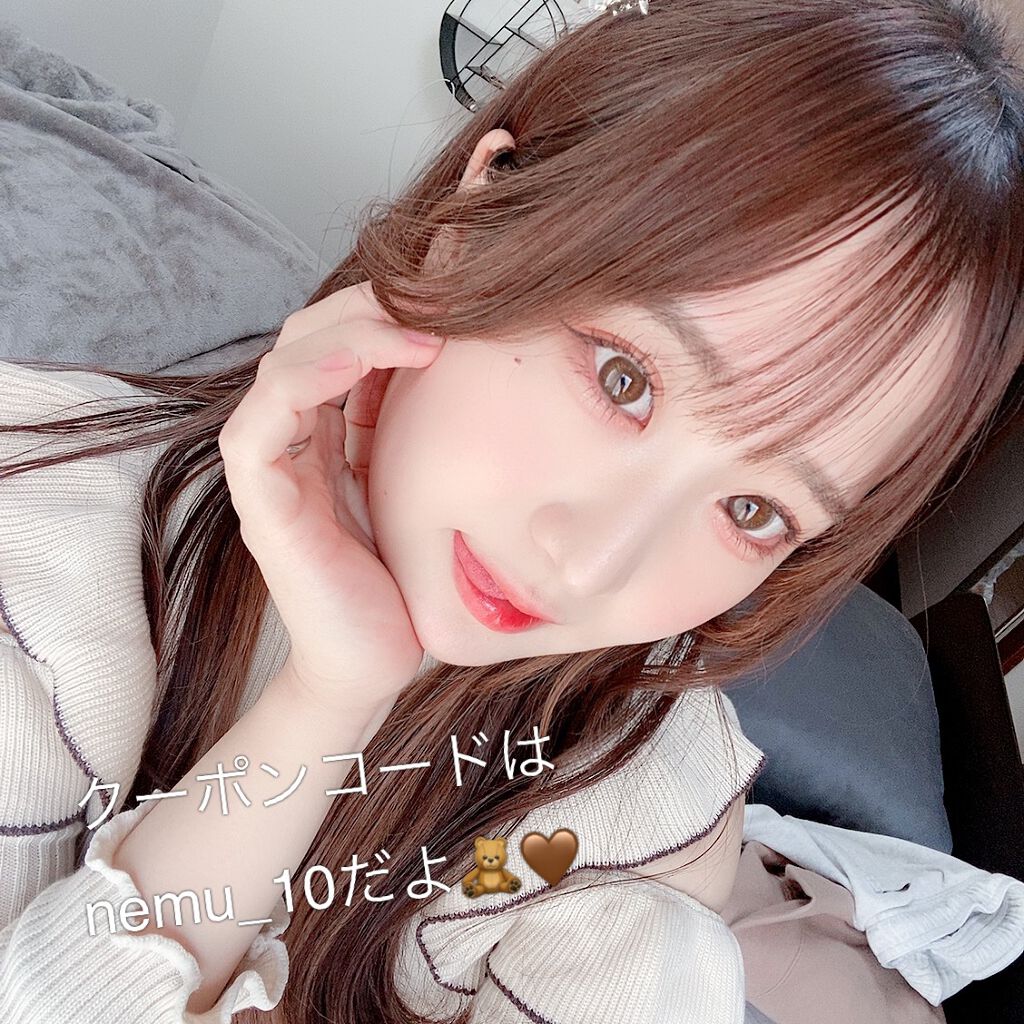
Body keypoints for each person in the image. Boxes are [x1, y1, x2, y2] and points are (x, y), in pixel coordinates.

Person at [1, 1, 1022, 1022]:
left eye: (754, 508)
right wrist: (320, 703)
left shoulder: (641, 814)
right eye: (625, 379)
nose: (590, 567)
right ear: (470, 232)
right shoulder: (47, 544)